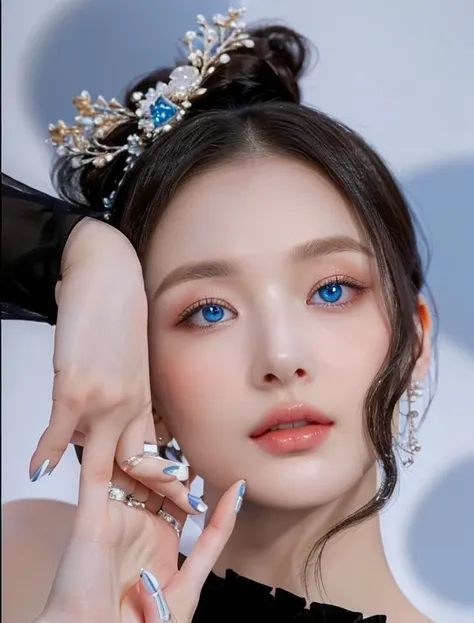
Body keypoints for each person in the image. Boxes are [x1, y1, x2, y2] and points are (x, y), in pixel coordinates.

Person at [2, 8, 435, 622]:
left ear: (415, 340)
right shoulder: (31, 562)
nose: (281, 357)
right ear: (145, 375)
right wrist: (85, 257)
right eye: (209, 311)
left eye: (332, 291)